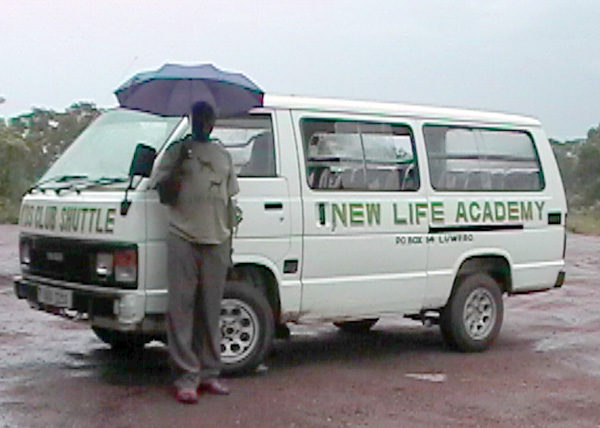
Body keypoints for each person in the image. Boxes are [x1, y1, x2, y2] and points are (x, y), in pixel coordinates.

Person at [153, 101, 240, 404]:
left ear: (214, 121)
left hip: (217, 239)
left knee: (211, 309)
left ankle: (210, 374)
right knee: (181, 309)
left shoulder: (222, 154)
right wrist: (179, 163)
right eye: (198, 118)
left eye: (208, 118)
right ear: (191, 120)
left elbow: (229, 200)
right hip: (184, 237)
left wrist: (231, 241)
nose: (204, 122)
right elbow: (163, 194)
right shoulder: (177, 151)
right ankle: (186, 377)